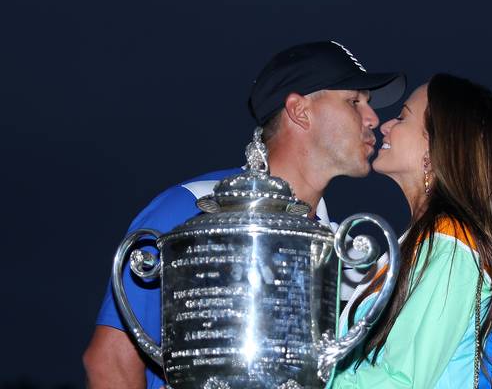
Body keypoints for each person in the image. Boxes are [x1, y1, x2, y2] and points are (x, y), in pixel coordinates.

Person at [82, 41, 406, 389]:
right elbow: (109, 363)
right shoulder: (191, 209)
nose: (373, 118)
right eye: (354, 101)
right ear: (300, 111)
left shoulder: (349, 253)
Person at [331, 74, 492, 388]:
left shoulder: (452, 244)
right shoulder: (426, 243)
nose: (385, 125)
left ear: (434, 148)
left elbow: (402, 381)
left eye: (402, 118)